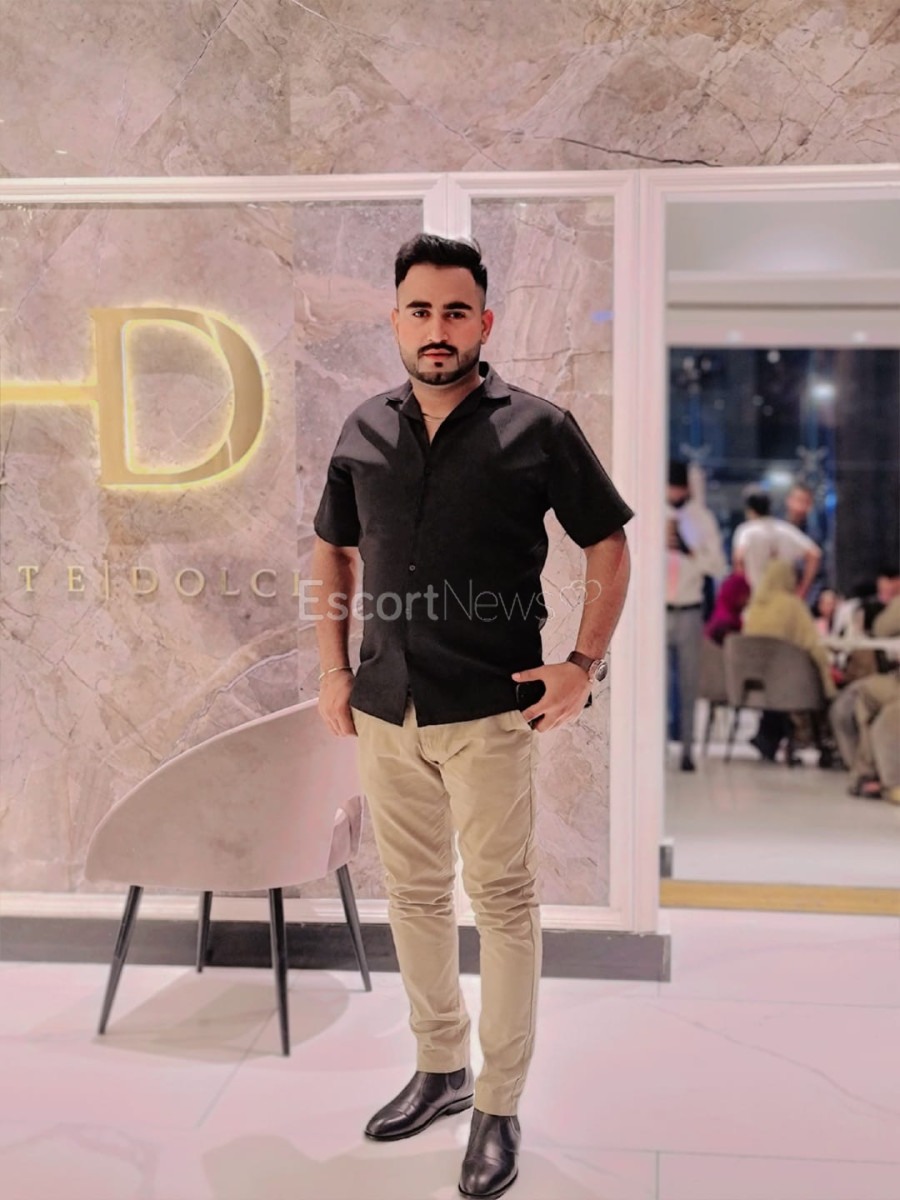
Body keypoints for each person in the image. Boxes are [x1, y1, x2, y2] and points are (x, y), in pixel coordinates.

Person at [311, 234, 633, 1200]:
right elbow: (333, 550)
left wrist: (582, 664)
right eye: (421, 311)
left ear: (485, 322)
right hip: (386, 709)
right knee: (412, 896)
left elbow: (608, 544)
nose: (438, 329)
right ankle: (440, 1066)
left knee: (501, 902)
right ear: (395, 321)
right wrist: (333, 670)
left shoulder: (538, 429)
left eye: (456, 312)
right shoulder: (362, 430)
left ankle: (498, 1103)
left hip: (491, 708)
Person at [742, 560, 837, 761]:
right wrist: (827, 673)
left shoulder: (754, 609)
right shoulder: (792, 606)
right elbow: (811, 644)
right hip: (789, 684)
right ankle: (825, 742)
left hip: (754, 682)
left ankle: (768, 737)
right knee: (817, 681)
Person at [666, 460, 726, 771]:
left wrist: (689, 550)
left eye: (678, 487)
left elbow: (717, 566)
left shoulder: (701, 519)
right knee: (656, 684)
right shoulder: (650, 514)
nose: (674, 492)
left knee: (689, 684)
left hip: (690, 608)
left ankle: (688, 751)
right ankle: (657, 752)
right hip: (656, 611)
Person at [732, 489, 822, 598]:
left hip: (756, 596)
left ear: (750, 510)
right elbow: (814, 554)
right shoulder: (785, 529)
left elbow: (739, 558)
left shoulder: (745, 531)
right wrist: (802, 591)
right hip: (785, 598)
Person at [704, 571, 751, 646]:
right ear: (734, 595)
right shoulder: (726, 627)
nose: (747, 602)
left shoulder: (718, 619)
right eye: (745, 596)